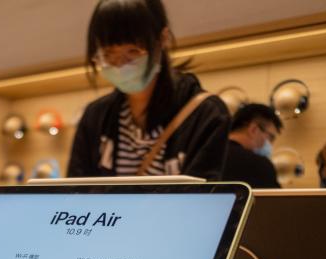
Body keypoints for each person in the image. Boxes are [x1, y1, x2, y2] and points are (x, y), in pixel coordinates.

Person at [68, 0, 230, 180]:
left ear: (163, 39)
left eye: (133, 51)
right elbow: (75, 196)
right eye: (108, 54)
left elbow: (205, 201)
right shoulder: (94, 117)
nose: (121, 65)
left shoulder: (205, 114)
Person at [223, 103, 282, 188]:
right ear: (253, 129)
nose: (270, 144)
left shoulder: (206, 154)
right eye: (271, 137)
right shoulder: (259, 164)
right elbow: (277, 199)